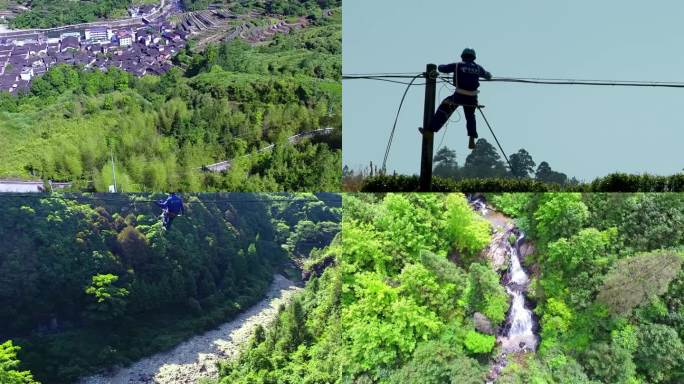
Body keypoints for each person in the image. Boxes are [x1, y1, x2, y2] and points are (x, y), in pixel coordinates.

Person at [420, 48, 492, 149]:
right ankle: (472, 139)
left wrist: (439, 67)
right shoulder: (478, 68)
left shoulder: (458, 65)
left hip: (459, 95)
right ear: (473, 58)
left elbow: (442, 68)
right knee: (470, 116)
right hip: (472, 97)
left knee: (444, 108)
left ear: (462, 56)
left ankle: (430, 131)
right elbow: (488, 76)